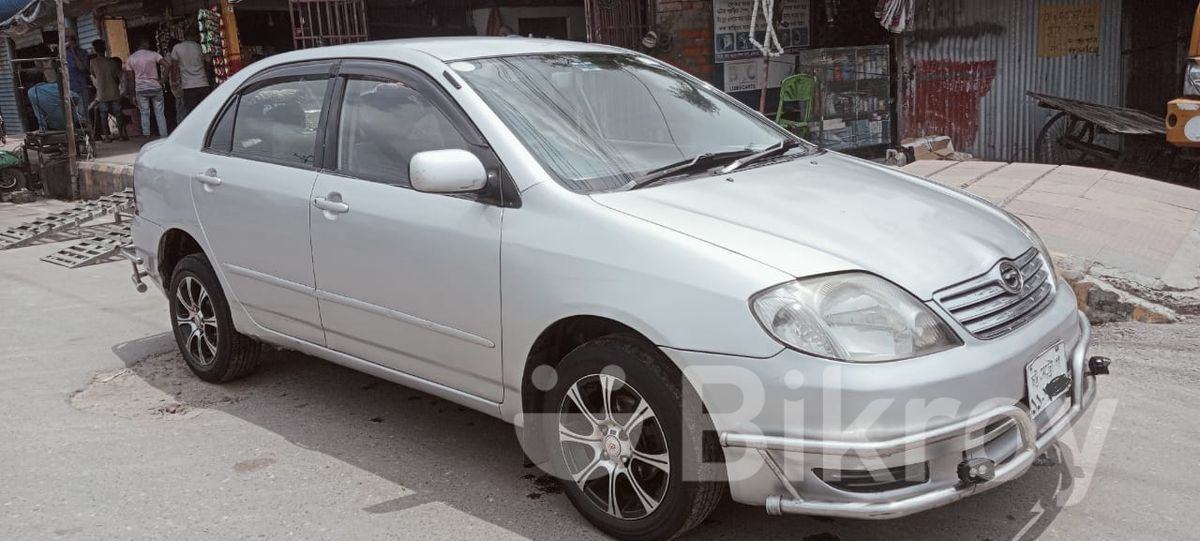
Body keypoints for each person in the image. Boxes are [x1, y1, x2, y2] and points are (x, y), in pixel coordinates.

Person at [125, 39, 170, 137]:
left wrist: (132, 95)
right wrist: (162, 80)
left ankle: (146, 135)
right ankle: (164, 135)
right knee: (159, 113)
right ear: (144, 43)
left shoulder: (131, 59)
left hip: (141, 89)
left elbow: (130, 79)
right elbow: (167, 65)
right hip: (155, 87)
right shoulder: (154, 54)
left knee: (144, 113)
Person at [169, 31, 211, 121]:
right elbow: (208, 62)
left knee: (192, 114)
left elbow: (174, 67)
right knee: (207, 112)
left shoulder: (177, 48)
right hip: (203, 83)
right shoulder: (200, 47)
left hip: (188, 86)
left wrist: (173, 81)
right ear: (194, 36)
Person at [90, 39, 127, 141]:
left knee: (103, 115)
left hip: (102, 93)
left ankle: (106, 137)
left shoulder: (93, 63)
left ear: (95, 50)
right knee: (118, 113)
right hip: (114, 92)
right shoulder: (112, 62)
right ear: (105, 49)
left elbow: (93, 75)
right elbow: (118, 76)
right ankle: (121, 135)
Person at [26, 66, 82, 131]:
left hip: (55, 126)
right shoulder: (55, 86)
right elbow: (76, 98)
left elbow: (39, 114)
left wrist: (42, 128)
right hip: (72, 121)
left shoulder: (31, 92)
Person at [63, 30, 90, 125]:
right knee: (71, 115)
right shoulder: (63, 54)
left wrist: (74, 53)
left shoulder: (82, 53)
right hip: (69, 88)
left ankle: (87, 135)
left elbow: (82, 68)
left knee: (83, 114)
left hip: (81, 87)